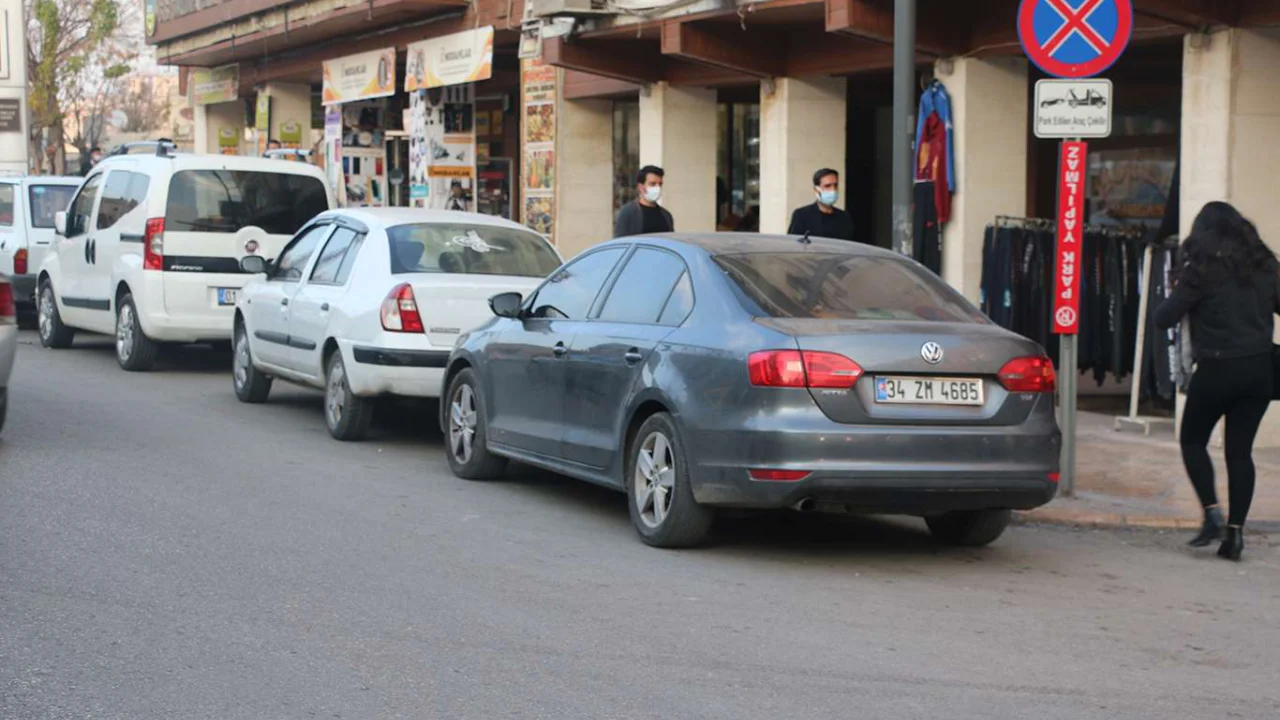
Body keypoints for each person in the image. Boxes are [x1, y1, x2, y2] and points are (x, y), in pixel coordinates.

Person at [1154, 201, 1279, 561]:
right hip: (1259, 371)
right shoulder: (1266, 267)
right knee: (1240, 453)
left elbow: (1164, 318)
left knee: (1192, 439)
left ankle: (1212, 514)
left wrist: (1185, 294)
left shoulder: (1202, 270)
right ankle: (1235, 535)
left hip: (1216, 370)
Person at [787, 168, 855, 241]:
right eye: (827, 186)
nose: (833, 190)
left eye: (835, 185)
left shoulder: (844, 218)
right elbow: (793, 244)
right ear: (816, 190)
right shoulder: (802, 215)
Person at [614, 165, 673, 238]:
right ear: (640, 187)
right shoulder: (628, 213)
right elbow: (620, 243)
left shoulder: (666, 216)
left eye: (660, 184)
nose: (657, 188)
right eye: (652, 184)